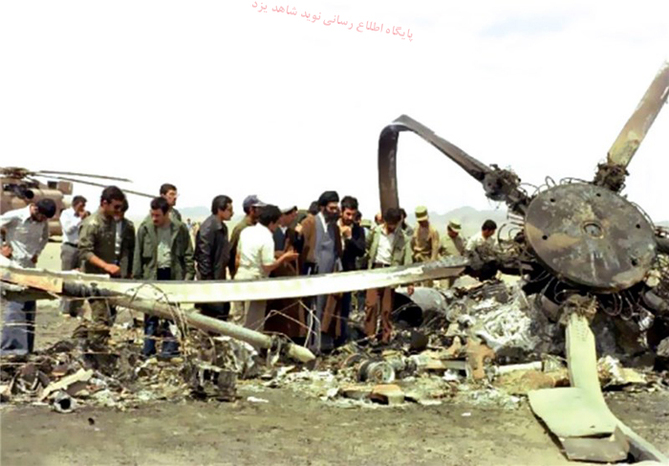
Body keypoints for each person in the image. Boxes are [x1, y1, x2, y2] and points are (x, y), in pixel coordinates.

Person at [134, 197, 194, 358]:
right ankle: (148, 349)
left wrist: (189, 276)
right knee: (150, 314)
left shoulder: (179, 229)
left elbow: (188, 253)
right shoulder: (145, 228)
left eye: (158, 215)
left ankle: (169, 349)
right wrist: (137, 279)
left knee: (172, 314)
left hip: (172, 276)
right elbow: (138, 255)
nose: (154, 219)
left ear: (167, 213)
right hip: (152, 276)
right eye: (152, 215)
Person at [1, 199, 57, 355]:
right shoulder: (16, 216)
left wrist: (37, 253)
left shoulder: (43, 222)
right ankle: (11, 350)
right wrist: (1, 249)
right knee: (16, 307)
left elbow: (45, 238)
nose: (43, 221)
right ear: (35, 209)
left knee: (29, 307)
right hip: (13, 267)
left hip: (30, 269)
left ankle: (27, 349)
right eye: (42, 217)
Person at [73, 186, 126, 350]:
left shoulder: (111, 222)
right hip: (94, 279)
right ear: (104, 203)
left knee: (109, 316)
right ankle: (95, 352)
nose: (118, 210)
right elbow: (84, 252)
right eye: (116, 206)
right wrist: (106, 266)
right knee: (100, 319)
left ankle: (90, 346)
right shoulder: (91, 224)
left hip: (108, 278)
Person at [235, 205, 299, 330]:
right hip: (255, 280)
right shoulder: (267, 238)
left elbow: (238, 256)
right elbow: (268, 266)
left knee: (238, 320)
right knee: (253, 323)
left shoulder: (246, 232)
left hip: (240, 277)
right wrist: (284, 258)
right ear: (271, 223)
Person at [296, 191, 342, 352]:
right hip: (312, 273)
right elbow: (300, 248)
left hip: (329, 275)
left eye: (336, 208)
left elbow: (337, 252)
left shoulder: (334, 227)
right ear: (322, 208)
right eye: (331, 208)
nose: (335, 211)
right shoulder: (309, 223)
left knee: (326, 310)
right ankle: (310, 345)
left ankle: (322, 344)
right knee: (311, 309)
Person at [364, 207, 413, 344]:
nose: (393, 227)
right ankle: (370, 335)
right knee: (371, 304)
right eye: (390, 223)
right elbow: (366, 246)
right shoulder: (375, 232)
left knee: (386, 308)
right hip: (375, 271)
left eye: (395, 224)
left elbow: (407, 260)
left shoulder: (403, 238)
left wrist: (410, 281)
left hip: (390, 273)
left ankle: (385, 337)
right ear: (385, 221)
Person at [194, 195, 234, 320]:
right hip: (211, 279)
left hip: (219, 276)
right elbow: (203, 256)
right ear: (220, 210)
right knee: (212, 315)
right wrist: (209, 282)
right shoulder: (209, 228)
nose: (232, 213)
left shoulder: (222, 227)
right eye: (229, 210)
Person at [336, 195, 366, 346]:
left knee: (345, 307)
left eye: (353, 215)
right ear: (341, 212)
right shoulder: (332, 226)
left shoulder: (358, 230)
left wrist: (349, 238)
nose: (350, 218)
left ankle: (342, 339)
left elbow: (361, 251)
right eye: (347, 214)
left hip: (347, 273)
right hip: (332, 273)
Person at [59, 195, 88, 316]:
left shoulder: (85, 215)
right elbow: (68, 229)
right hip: (69, 247)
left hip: (81, 248)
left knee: (80, 277)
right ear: (76, 204)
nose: (83, 208)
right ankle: (65, 308)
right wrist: (79, 219)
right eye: (81, 205)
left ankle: (76, 307)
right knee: (67, 277)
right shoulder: (66, 214)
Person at [229, 194, 265, 279]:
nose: (261, 211)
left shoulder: (258, 227)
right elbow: (232, 253)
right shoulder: (240, 228)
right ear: (251, 209)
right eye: (259, 208)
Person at [438, 219, 467, 288]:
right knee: (444, 289)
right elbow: (437, 253)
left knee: (456, 289)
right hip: (445, 270)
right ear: (449, 230)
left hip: (456, 271)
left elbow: (463, 253)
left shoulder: (460, 240)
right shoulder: (443, 240)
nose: (456, 233)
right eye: (454, 232)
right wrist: (442, 260)